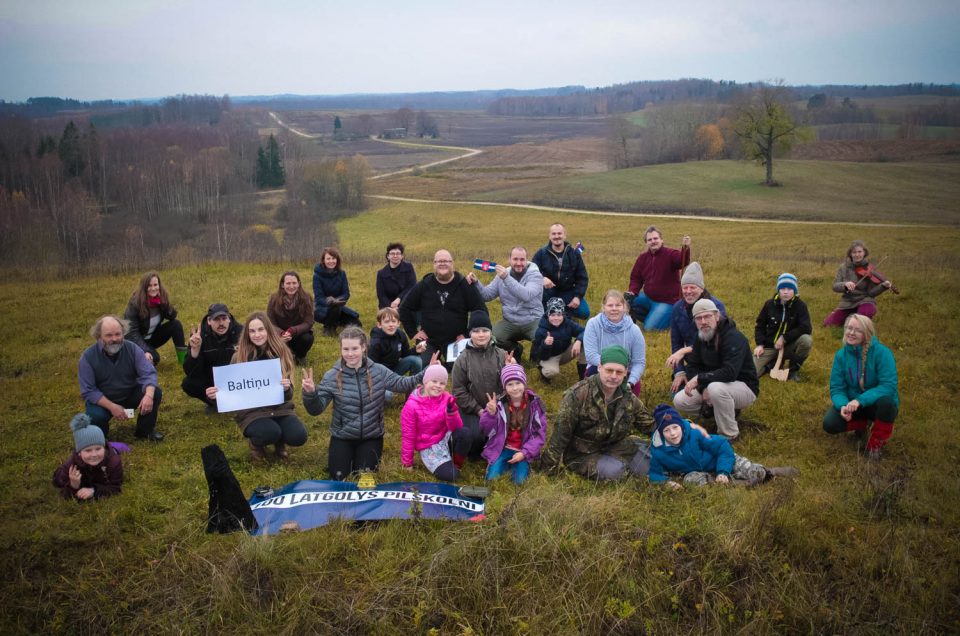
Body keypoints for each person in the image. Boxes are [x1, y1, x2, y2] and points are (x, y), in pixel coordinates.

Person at [303, 326, 435, 479]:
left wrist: (427, 371)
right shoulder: (331, 376)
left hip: (371, 436)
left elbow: (402, 384)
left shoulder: (378, 370)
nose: (350, 354)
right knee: (339, 477)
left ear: (364, 347)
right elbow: (315, 410)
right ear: (340, 349)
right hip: (342, 436)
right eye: (346, 349)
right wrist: (310, 393)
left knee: (364, 477)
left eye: (354, 348)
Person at [540, 345, 654, 480]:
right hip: (582, 454)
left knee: (650, 465)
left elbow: (649, 425)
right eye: (609, 370)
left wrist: (680, 429)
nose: (613, 376)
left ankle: (636, 451)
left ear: (625, 373)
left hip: (616, 446)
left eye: (619, 372)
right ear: (599, 367)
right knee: (616, 471)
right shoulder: (577, 395)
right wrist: (547, 470)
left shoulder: (628, 397)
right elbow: (560, 434)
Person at [207, 312, 307, 462]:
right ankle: (256, 444)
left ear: (268, 330)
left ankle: (280, 442)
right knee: (269, 433)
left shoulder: (282, 352)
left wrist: (286, 389)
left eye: (261, 329)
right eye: (252, 331)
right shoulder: (239, 357)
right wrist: (217, 396)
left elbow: (289, 394)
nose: (257, 335)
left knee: (298, 436)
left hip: (280, 408)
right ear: (247, 334)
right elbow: (232, 390)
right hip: (252, 412)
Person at [648, 404, 797, 488]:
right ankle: (739, 484)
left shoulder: (695, 434)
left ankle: (768, 472)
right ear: (661, 433)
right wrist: (667, 483)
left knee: (751, 470)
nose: (673, 433)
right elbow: (654, 474)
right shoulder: (659, 450)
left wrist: (723, 471)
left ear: (681, 426)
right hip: (702, 474)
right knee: (690, 480)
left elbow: (722, 446)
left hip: (721, 461)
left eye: (675, 427)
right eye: (667, 430)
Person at [672, 299, 759, 441]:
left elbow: (730, 372)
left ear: (717, 316)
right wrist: (702, 388)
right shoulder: (700, 337)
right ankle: (723, 412)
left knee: (716, 388)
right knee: (680, 400)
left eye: (707, 316)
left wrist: (701, 380)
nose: (703, 321)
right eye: (699, 318)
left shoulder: (734, 337)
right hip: (714, 386)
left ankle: (729, 435)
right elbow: (693, 365)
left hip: (744, 387)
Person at [822, 314, 899, 460]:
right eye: (849, 328)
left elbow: (888, 386)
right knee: (829, 424)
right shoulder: (841, 355)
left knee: (887, 403)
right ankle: (861, 426)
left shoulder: (882, 353)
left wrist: (860, 400)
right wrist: (843, 405)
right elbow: (837, 388)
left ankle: (875, 444)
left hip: (876, 405)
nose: (851, 333)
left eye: (857, 330)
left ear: (867, 333)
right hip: (852, 404)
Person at [79, 315, 164, 441]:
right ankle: (101, 438)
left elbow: (148, 373)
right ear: (99, 336)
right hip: (103, 401)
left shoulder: (133, 349)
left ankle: (145, 432)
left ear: (123, 333)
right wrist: (113, 407)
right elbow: (88, 390)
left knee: (154, 392)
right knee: (94, 416)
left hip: (129, 395)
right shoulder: (87, 357)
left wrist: (148, 396)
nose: (114, 339)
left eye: (118, 334)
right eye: (109, 335)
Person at [399, 248, 487, 367]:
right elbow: (404, 308)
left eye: (446, 261)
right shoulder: (424, 285)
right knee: (423, 367)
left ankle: (443, 366)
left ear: (452, 264)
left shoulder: (464, 284)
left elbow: (480, 310)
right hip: (429, 340)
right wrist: (413, 332)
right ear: (434, 264)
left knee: (460, 368)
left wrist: (467, 334)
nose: (442, 263)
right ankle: (436, 365)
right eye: (438, 261)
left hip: (455, 341)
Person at [468, 246, 543, 360]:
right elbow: (487, 295)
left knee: (543, 336)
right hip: (510, 320)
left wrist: (506, 278)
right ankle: (515, 349)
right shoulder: (502, 275)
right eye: (515, 259)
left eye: (522, 259)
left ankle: (537, 358)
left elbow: (526, 295)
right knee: (493, 338)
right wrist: (476, 283)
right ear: (510, 259)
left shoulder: (536, 276)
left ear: (527, 260)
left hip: (532, 319)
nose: (518, 263)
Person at [451, 312, 510, 457]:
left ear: (491, 332)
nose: (481, 335)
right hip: (473, 409)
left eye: (485, 330)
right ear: (470, 333)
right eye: (476, 331)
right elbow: (458, 391)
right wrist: (478, 410)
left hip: (499, 406)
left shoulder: (502, 355)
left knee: (510, 434)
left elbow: (513, 386)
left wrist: (512, 369)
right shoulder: (462, 359)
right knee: (476, 440)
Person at [400, 364, 471, 482]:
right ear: (425, 381)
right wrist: (407, 463)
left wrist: (452, 412)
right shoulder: (411, 405)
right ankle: (449, 468)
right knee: (451, 476)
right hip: (428, 446)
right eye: (434, 381)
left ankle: (456, 464)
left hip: (444, 437)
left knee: (465, 433)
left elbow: (457, 427)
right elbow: (408, 435)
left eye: (442, 383)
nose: (438, 386)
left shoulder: (447, 397)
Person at [479, 364, 548, 485]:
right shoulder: (498, 405)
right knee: (491, 480)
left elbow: (539, 434)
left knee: (519, 482)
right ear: (504, 387)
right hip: (502, 448)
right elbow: (486, 430)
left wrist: (524, 453)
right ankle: (501, 464)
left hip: (523, 450)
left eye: (518, 383)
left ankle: (520, 465)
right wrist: (490, 414)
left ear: (524, 383)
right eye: (510, 384)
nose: (515, 388)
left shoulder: (535, 405)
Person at [666, 262, 727, 393]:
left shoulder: (716, 307)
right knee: (678, 394)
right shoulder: (677, 308)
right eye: (685, 287)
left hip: (715, 362)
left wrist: (685, 350)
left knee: (710, 393)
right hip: (694, 362)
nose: (688, 292)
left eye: (692, 287)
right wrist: (679, 371)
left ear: (701, 288)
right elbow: (676, 343)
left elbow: (717, 341)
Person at [625, 227, 691, 330]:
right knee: (626, 301)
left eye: (655, 238)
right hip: (648, 298)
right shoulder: (642, 258)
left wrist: (685, 248)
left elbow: (682, 260)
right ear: (646, 242)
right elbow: (636, 278)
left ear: (661, 240)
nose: (653, 241)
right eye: (650, 240)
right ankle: (655, 316)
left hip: (667, 302)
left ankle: (669, 318)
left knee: (649, 328)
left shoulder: (671, 254)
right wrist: (632, 292)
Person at [583, 290, 646, 395]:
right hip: (598, 368)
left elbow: (639, 362)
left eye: (618, 305)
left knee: (628, 405)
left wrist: (631, 382)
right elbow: (590, 355)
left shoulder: (634, 330)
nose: (614, 309)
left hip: (625, 372)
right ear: (603, 307)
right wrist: (609, 368)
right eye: (610, 305)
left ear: (624, 307)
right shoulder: (593, 324)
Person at [182, 303, 242, 410]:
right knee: (188, 383)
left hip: (236, 378)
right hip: (211, 379)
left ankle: (239, 400)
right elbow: (190, 372)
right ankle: (215, 403)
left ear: (229, 319)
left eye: (224, 318)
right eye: (216, 320)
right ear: (209, 321)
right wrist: (195, 351)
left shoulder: (241, 332)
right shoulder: (198, 337)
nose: (221, 323)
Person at [753, 273, 813, 381]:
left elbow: (806, 327)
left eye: (790, 289)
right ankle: (771, 365)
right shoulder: (769, 304)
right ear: (778, 290)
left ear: (794, 290)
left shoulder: (801, 306)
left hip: (789, 347)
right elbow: (760, 325)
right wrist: (760, 344)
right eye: (783, 288)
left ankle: (793, 370)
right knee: (751, 373)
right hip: (769, 346)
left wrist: (784, 338)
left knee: (806, 340)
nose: (786, 292)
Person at [52, 414, 123, 501]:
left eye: (98, 448)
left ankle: (114, 446)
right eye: (88, 450)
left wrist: (94, 491)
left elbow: (115, 487)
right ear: (79, 453)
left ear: (104, 447)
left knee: (122, 448)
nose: (94, 454)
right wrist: (74, 485)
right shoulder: (72, 465)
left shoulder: (114, 462)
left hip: (111, 452)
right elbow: (58, 484)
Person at [823, 240, 894, 327]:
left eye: (859, 252)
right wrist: (845, 284)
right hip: (848, 302)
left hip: (865, 300)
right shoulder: (843, 267)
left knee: (862, 318)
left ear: (864, 253)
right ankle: (849, 314)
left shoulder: (870, 269)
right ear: (850, 254)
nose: (857, 255)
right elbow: (834, 286)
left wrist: (883, 286)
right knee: (828, 324)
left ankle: (857, 317)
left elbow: (871, 293)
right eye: (854, 252)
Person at [123, 271, 187, 365]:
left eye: (155, 285)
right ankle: (134, 360)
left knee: (176, 324)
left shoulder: (160, 298)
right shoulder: (135, 304)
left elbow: (172, 316)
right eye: (149, 285)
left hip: (151, 338)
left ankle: (184, 360)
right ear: (144, 287)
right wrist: (145, 350)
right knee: (155, 358)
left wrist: (164, 304)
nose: (153, 288)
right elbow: (131, 333)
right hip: (136, 342)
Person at [531, 223, 590, 320]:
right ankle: (558, 315)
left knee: (584, 313)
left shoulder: (574, 253)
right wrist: (541, 278)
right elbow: (531, 273)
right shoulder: (541, 253)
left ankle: (562, 313)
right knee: (541, 315)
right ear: (549, 236)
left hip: (568, 291)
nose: (557, 236)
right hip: (548, 292)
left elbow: (582, 278)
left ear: (564, 235)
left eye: (559, 233)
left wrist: (577, 297)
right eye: (553, 234)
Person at [531, 297, 585, 383]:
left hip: (565, 351)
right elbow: (539, 355)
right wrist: (545, 345)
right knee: (552, 372)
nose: (556, 318)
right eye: (552, 315)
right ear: (548, 315)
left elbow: (585, 331)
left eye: (559, 315)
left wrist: (578, 341)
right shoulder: (541, 331)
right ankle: (542, 370)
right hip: (548, 357)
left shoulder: (568, 323)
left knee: (585, 342)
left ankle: (583, 378)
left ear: (563, 315)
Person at [267, 270, 315, 365]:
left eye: (294, 283)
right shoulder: (274, 299)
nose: (291, 286)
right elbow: (270, 322)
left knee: (307, 338)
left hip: (298, 334)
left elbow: (309, 322)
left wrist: (293, 330)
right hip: (280, 335)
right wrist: (281, 333)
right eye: (288, 283)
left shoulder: (306, 298)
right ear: (282, 285)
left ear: (299, 284)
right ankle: (284, 355)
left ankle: (300, 356)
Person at [313, 247, 361, 336]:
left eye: (333, 258)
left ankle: (338, 322)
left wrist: (337, 300)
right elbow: (319, 298)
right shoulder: (317, 275)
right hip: (322, 309)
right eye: (328, 258)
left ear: (337, 260)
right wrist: (330, 301)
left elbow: (346, 293)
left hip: (339, 306)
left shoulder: (342, 274)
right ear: (323, 260)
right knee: (334, 308)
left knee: (357, 324)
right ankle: (328, 328)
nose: (331, 261)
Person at [376, 242, 417, 309]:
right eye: (392, 254)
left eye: (398, 253)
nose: (395, 256)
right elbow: (381, 295)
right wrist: (391, 306)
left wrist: (399, 299)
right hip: (387, 307)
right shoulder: (381, 273)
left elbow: (412, 286)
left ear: (402, 256)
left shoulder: (409, 267)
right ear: (388, 256)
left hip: (407, 303)